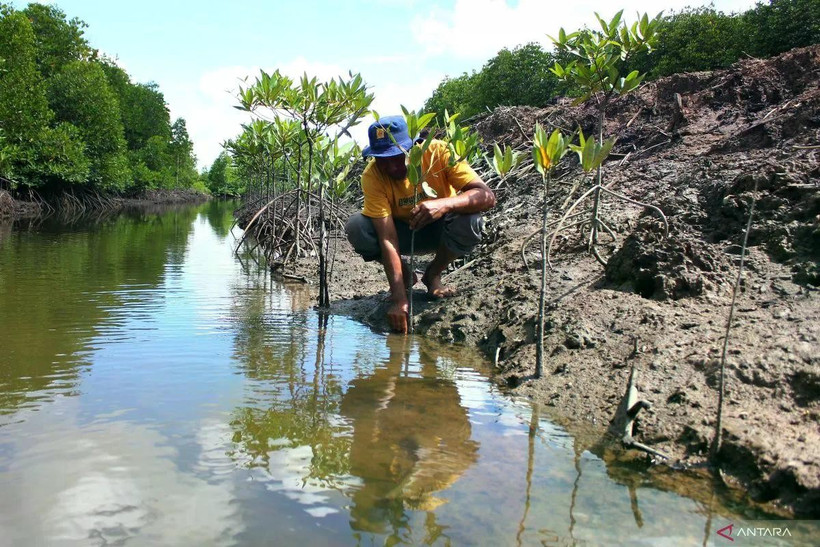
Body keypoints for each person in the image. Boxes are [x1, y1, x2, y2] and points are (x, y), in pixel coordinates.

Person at [345, 116, 495, 333]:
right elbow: (387, 238)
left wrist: (444, 205)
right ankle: (406, 276)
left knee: (471, 220)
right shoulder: (373, 175)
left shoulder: (438, 152)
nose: (390, 166)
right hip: (403, 233)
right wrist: (399, 299)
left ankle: (433, 274)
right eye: (382, 159)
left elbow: (487, 196)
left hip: (441, 229)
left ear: (412, 148)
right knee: (357, 227)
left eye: (396, 157)